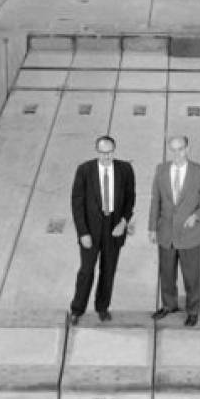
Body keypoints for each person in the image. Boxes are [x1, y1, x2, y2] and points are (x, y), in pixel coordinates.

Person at [149, 135, 200, 326]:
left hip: (189, 234)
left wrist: (197, 215)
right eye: (173, 150)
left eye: (180, 149)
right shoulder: (161, 170)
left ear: (188, 149)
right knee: (166, 274)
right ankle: (169, 305)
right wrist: (152, 228)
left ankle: (193, 310)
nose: (177, 154)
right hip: (166, 233)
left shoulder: (199, 172)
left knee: (191, 276)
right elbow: (155, 200)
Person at [69, 135, 134, 324]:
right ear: (97, 152)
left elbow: (130, 198)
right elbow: (77, 203)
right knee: (86, 270)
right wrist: (83, 232)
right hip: (90, 229)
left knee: (108, 270)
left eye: (110, 152)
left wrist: (123, 222)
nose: (107, 156)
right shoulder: (84, 170)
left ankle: (102, 307)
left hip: (114, 228)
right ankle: (77, 309)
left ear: (115, 150)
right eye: (103, 153)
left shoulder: (125, 169)